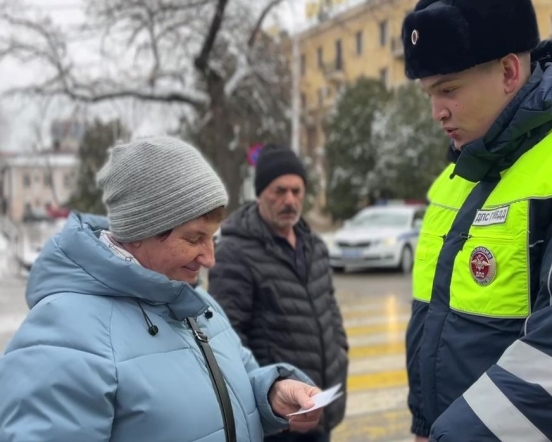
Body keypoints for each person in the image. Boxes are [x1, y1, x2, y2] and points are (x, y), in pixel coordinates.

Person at [402, 0, 552, 441]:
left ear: (510, 72)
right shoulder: (465, 171)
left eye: (449, 90)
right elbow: (434, 319)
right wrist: (423, 421)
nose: (437, 112)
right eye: (429, 94)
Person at [0, 137, 325, 442]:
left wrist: (270, 393)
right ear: (139, 231)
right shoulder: (64, 335)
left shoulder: (198, 304)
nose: (210, 258)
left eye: (213, 238)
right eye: (194, 238)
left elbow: (227, 391)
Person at [208, 144, 348, 442]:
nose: (289, 200)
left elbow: (330, 311)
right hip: (278, 418)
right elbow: (227, 338)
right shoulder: (235, 253)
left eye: (297, 192)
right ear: (259, 193)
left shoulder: (315, 247)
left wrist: (340, 354)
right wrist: (267, 402)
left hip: (319, 405)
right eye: (279, 191)